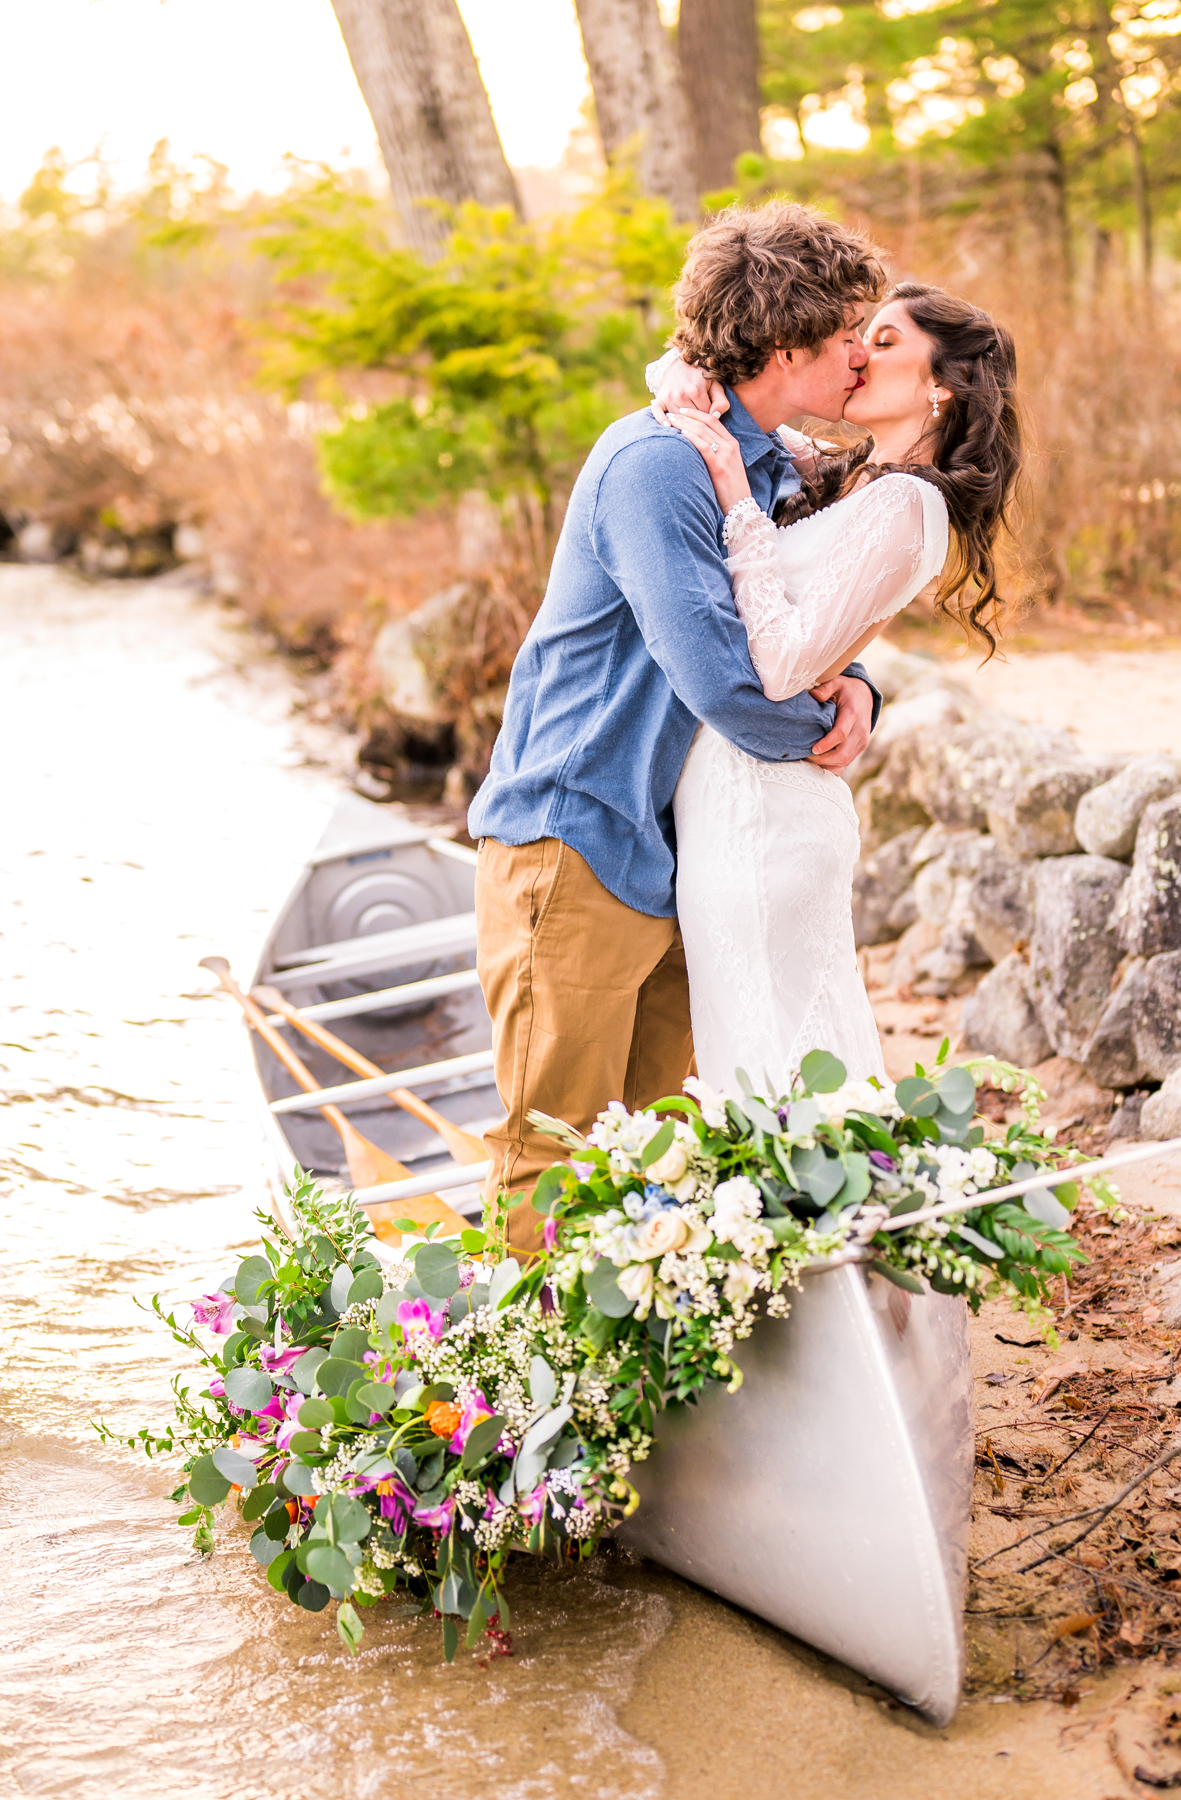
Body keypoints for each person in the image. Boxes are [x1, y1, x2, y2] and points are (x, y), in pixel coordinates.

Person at [466, 202, 888, 1255]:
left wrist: (861, 687)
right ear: (785, 347)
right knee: (552, 1149)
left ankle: (645, 1398)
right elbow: (722, 679)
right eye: (846, 336)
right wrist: (817, 750)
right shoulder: (655, 465)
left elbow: (795, 614)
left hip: (670, 851)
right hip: (573, 837)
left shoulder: (763, 464)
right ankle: (531, 1402)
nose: (858, 357)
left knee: (659, 1146)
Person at [649, 281, 1023, 1095]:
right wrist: (677, 365)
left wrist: (733, 493)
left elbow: (782, 665)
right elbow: (745, 404)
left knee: (781, 1064)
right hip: (727, 797)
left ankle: (827, 1216)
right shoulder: (853, 478)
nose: (858, 353)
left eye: (885, 341)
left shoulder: (909, 508)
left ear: (943, 385)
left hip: (768, 810)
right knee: (748, 1054)